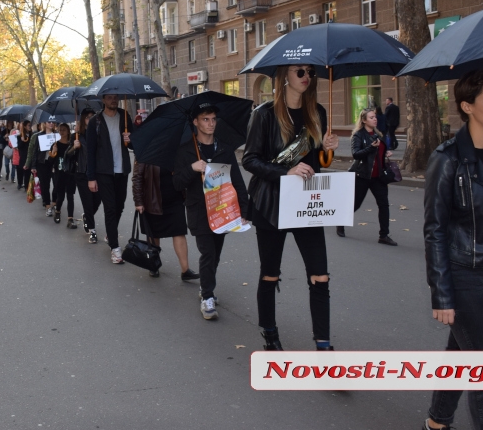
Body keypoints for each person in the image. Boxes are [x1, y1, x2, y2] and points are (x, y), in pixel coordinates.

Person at [422, 68, 483, 430]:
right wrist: (442, 293)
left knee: (464, 350)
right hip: (462, 271)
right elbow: (434, 230)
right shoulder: (447, 159)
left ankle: (437, 422)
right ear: (467, 106)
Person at [242, 64, 340, 350]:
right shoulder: (264, 114)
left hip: (307, 203)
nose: (306, 77)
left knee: (320, 275)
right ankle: (269, 332)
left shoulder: (317, 113)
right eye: (300, 72)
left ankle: (324, 347)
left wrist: (328, 148)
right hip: (271, 204)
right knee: (270, 273)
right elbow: (250, 160)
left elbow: (319, 161)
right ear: (285, 76)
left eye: (310, 72)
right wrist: (285, 172)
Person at [173, 103, 248, 319]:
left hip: (222, 210)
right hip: (198, 211)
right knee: (207, 253)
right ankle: (207, 296)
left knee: (215, 253)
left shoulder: (223, 149)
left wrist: (244, 208)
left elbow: (237, 181)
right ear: (195, 122)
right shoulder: (186, 150)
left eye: (213, 119)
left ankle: (206, 286)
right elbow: (177, 183)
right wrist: (192, 168)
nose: (211, 123)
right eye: (205, 119)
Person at [336, 108, 398, 246]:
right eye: (371, 117)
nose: (375, 119)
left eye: (375, 117)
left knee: (384, 205)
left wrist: (385, 153)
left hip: (378, 177)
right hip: (362, 175)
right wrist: (371, 147)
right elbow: (356, 154)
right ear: (364, 120)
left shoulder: (378, 134)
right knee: (355, 204)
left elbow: (378, 154)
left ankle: (384, 235)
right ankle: (341, 222)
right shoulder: (358, 135)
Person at [133, 157, 199, 281]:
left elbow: (185, 171)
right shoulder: (145, 150)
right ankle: (154, 265)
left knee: (179, 231)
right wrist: (138, 200)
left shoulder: (175, 150)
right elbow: (137, 177)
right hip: (152, 199)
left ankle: (185, 270)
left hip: (175, 198)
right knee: (154, 233)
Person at [86, 95, 134, 264]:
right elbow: (90, 152)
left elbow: (134, 143)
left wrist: (131, 139)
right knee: (110, 208)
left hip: (122, 170)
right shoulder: (95, 122)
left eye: (116, 98)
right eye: (110, 98)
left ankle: (109, 233)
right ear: (103, 100)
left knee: (120, 205)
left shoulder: (125, 116)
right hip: (103, 172)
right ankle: (115, 248)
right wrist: (91, 178)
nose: (114, 100)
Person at [66, 109, 101, 243]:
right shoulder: (76, 136)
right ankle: (92, 231)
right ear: (83, 120)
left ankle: (87, 216)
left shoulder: (99, 134)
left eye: (92, 117)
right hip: (81, 173)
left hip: (97, 172)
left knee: (97, 200)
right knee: (87, 202)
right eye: (87, 117)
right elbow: (67, 155)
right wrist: (74, 147)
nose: (90, 119)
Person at [25, 121, 57, 215]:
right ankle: (47, 205)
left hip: (54, 163)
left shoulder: (57, 135)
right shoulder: (39, 136)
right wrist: (33, 165)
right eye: (49, 122)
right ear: (44, 123)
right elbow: (35, 151)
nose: (51, 124)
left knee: (57, 184)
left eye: (53, 122)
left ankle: (54, 202)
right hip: (42, 163)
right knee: (44, 185)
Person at [50, 124, 77, 226]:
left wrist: (75, 148)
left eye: (64, 130)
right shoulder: (56, 144)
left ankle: (70, 219)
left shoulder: (72, 144)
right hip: (60, 173)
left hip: (70, 173)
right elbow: (51, 161)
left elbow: (75, 158)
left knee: (70, 196)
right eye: (60, 130)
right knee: (60, 195)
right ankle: (57, 212)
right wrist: (53, 152)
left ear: (68, 131)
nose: (62, 132)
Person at [16, 121, 32, 191]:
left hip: (30, 155)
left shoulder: (32, 135)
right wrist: (22, 140)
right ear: (25, 126)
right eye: (28, 125)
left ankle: (27, 186)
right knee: (21, 170)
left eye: (30, 125)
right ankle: (20, 183)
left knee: (28, 172)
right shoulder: (20, 136)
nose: (30, 127)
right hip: (23, 155)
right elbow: (19, 147)